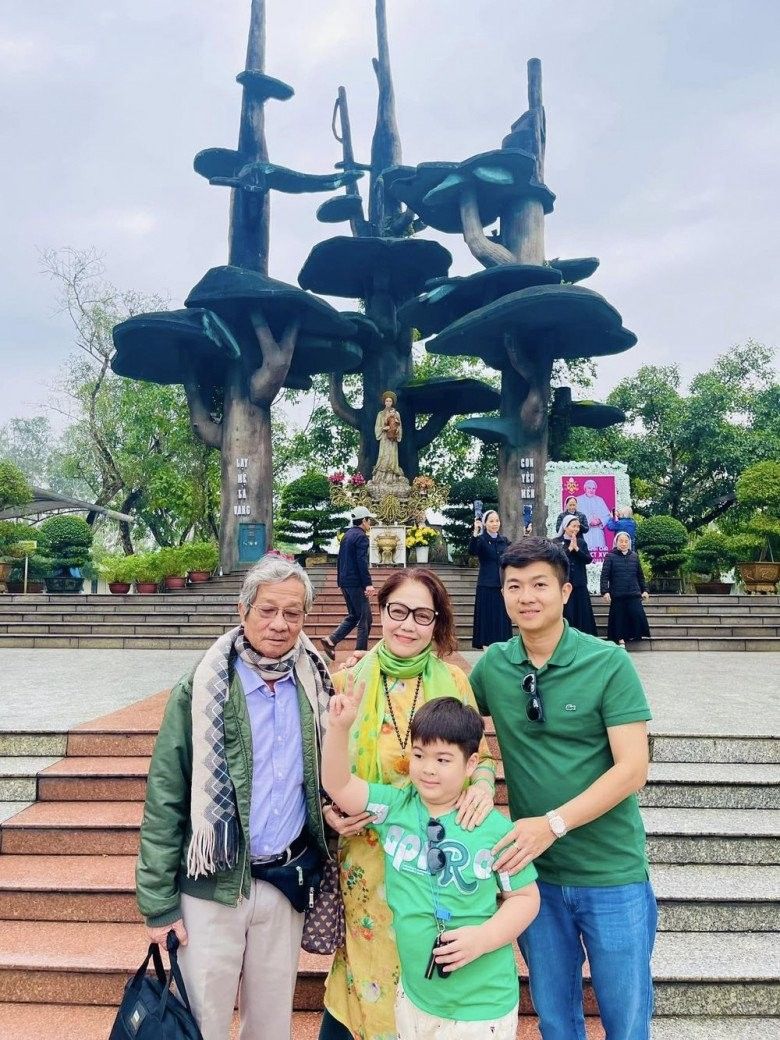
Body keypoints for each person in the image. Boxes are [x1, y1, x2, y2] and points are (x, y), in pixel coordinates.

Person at [135, 555, 333, 1040]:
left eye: (292, 613)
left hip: (284, 882)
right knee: (204, 1020)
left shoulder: (317, 684)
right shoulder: (203, 686)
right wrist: (158, 903)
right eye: (267, 610)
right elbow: (166, 795)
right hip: (214, 884)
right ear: (243, 611)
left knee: (271, 1025)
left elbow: (326, 776)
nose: (279, 623)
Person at [469, 537, 656, 1040]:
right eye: (514, 586)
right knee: (555, 1019)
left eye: (539, 585)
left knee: (627, 1020)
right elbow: (450, 725)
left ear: (566, 591)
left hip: (611, 872)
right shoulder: (493, 666)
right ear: (502, 595)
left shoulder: (608, 663)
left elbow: (633, 769)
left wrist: (552, 824)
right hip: (536, 880)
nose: (526, 597)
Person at [319, 568, 498, 1040]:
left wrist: (482, 786)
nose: (407, 624)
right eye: (398, 611)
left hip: (434, 859)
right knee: (368, 967)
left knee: (425, 968)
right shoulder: (347, 682)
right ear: (381, 612)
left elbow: (480, 757)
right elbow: (318, 767)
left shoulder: (454, 681)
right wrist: (327, 812)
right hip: (368, 858)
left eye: (422, 615)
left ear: (436, 622)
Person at [322, 693, 540, 1040]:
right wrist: (338, 728)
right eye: (419, 755)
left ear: (470, 764)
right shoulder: (396, 808)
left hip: (481, 1007)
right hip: (415, 997)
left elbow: (526, 898)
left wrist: (484, 938)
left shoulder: (494, 829)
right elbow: (339, 785)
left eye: (443, 759)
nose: (427, 768)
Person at [321, 505, 377, 661]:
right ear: (364, 520)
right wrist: (368, 584)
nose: (370, 523)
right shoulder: (361, 537)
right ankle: (360, 654)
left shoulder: (347, 535)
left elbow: (340, 560)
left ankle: (331, 640)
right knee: (365, 618)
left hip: (345, 581)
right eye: (369, 520)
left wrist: (340, 580)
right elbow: (361, 562)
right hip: (355, 582)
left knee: (355, 615)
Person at [469, 509, 512, 648]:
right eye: (491, 521)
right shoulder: (481, 539)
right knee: (486, 618)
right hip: (486, 585)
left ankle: (502, 648)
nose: (495, 523)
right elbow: (472, 551)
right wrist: (476, 532)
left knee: (502, 618)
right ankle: (486, 649)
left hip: (502, 585)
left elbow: (514, 555)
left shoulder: (504, 540)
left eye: (497, 520)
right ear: (485, 523)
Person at [601, 531, 651, 647]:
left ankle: (633, 635)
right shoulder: (610, 556)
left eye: (626, 541)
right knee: (619, 618)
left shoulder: (634, 556)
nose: (623, 544)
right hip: (617, 593)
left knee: (637, 614)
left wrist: (645, 590)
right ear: (616, 542)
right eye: (621, 541)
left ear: (629, 542)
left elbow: (640, 576)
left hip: (633, 592)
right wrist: (605, 592)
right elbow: (604, 576)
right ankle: (620, 639)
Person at [554, 515, 597, 636]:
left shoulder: (581, 542)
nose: (576, 529)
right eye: (573, 526)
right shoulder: (556, 542)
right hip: (564, 583)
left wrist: (577, 549)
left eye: (578, 526)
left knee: (582, 612)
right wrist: (569, 549)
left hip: (579, 583)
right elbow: (556, 560)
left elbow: (588, 559)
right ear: (565, 527)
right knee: (567, 611)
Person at [373, 390, 405, 480]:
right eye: (387, 401)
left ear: (392, 402)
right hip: (384, 438)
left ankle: (392, 474)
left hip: (393, 439)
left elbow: (399, 426)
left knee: (392, 454)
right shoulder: (380, 414)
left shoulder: (396, 413)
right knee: (384, 454)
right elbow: (377, 426)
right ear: (384, 402)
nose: (388, 402)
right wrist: (383, 428)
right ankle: (382, 474)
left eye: (390, 401)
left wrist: (397, 431)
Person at [576, 480, 612, 553]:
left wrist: (600, 520)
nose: (591, 490)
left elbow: (607, 515)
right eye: (589, 488)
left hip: (597, 531)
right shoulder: (578, 500)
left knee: (600, 554)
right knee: (585, 553)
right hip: (585, 532)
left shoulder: (600, 500)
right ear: (585, 488)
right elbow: (575, 515)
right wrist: (589, 521)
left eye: (593, 488)